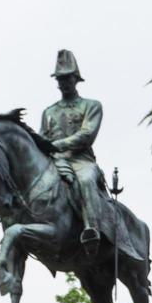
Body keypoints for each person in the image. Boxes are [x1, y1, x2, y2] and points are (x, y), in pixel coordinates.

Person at [40, 50, 107, 255]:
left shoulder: (91, 105)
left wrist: (57, 145)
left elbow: (87, 134)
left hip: (81, 160)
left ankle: (91, 230)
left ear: (76, 79)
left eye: (67, 77)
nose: (63, 82)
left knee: (86, 179)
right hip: (55, 161)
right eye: (60, 78)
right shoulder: (48, 112)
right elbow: (43, 138)